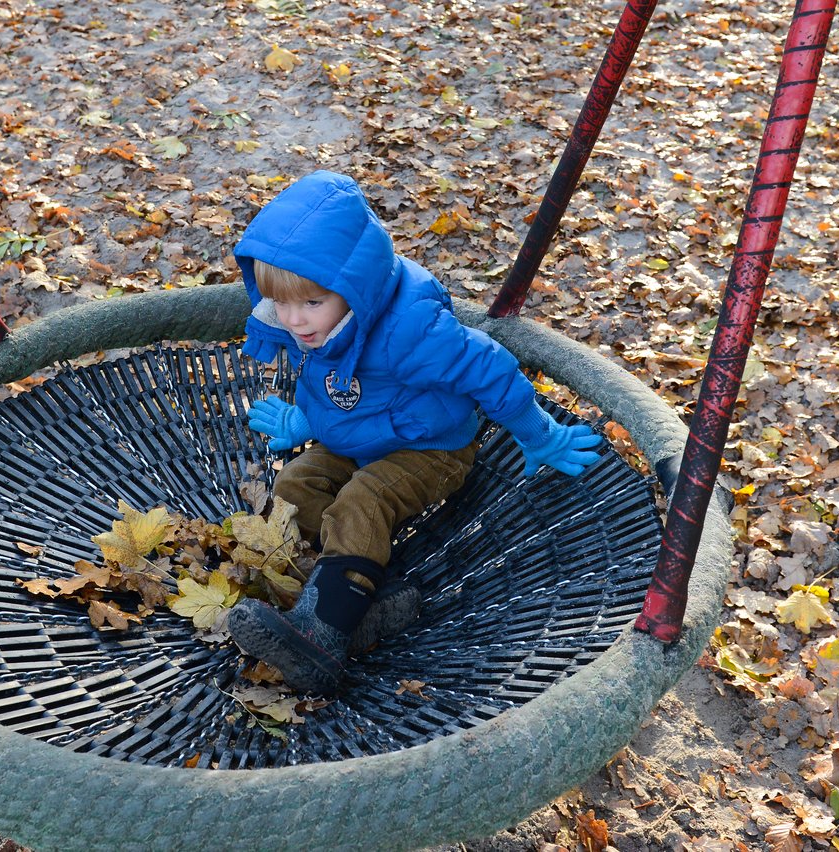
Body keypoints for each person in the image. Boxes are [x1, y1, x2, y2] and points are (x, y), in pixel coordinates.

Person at [227, 170, 602, 695]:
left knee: (363, 501)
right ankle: (350, 603)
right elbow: (332, 381)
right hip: (360, 436)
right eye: (282, 303)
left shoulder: (412, 328)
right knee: (295, 487)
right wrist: (304, 420)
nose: (293, 320)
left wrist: (538, 434)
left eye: (310, 303)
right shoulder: (313, 320)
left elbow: (491, 369)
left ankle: (322, 641)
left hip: (430, 447)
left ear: (355, 286)